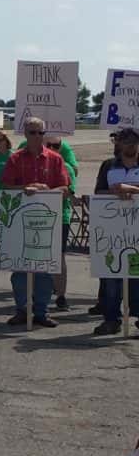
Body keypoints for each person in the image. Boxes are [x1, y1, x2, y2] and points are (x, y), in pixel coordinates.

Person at [0, 116, 70, 328]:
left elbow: (65, 188)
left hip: (47, 220)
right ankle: (22, 310)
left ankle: (41, 311)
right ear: (25, 134)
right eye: (32, 132)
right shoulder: (15, 159)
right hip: (20, 221)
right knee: (20, 269)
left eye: (41, 133)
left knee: (44, 270)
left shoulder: (55, 159)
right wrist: (25, 188)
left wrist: (48, 190)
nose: (37, 136)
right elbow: (5, 186)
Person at [94, 127, 139, 335]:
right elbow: (98, 192)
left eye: (134, 140)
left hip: (137, 233)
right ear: (118, 143)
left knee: (137, 278)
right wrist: (114, 192)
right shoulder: (108, 165)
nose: (130, 144)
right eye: (125, 140)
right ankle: (111, 320)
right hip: (112, 232)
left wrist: (131, 189)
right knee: (111, 278)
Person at [47, 134, 77, 310]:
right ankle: (38, 294)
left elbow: (69, 192)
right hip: (40, 214)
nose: (52, 148)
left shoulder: (66, 167)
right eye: (48, 145)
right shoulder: (37, 164)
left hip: (60, 216)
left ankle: (61, 296)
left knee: (59, 256)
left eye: (56, 145)